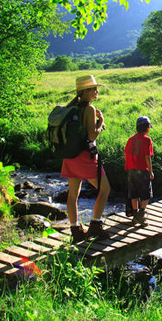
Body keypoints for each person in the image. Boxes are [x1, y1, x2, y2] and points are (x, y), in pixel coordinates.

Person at [61, 74, 111, 243]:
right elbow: (91, 136)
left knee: (73, 194)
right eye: (94, 88)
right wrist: (100, 122)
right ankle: (95, 225)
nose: (97, 90)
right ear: (85, 91)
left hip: (70, 156)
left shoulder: (71, 107)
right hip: (85, 157)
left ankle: (75, 230)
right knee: (105, 189)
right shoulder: (89, 109)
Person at [124, 115, 154, 226]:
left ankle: (135, 215)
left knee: (134, 193)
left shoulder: (131, 139)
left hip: (131, 171)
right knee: (146, 194)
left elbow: (125, 154)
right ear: (147, 128)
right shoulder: (147, 140)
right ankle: (141, 214)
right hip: (143, 171)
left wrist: (130, 165)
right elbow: (147, 157)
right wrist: (150, 172)